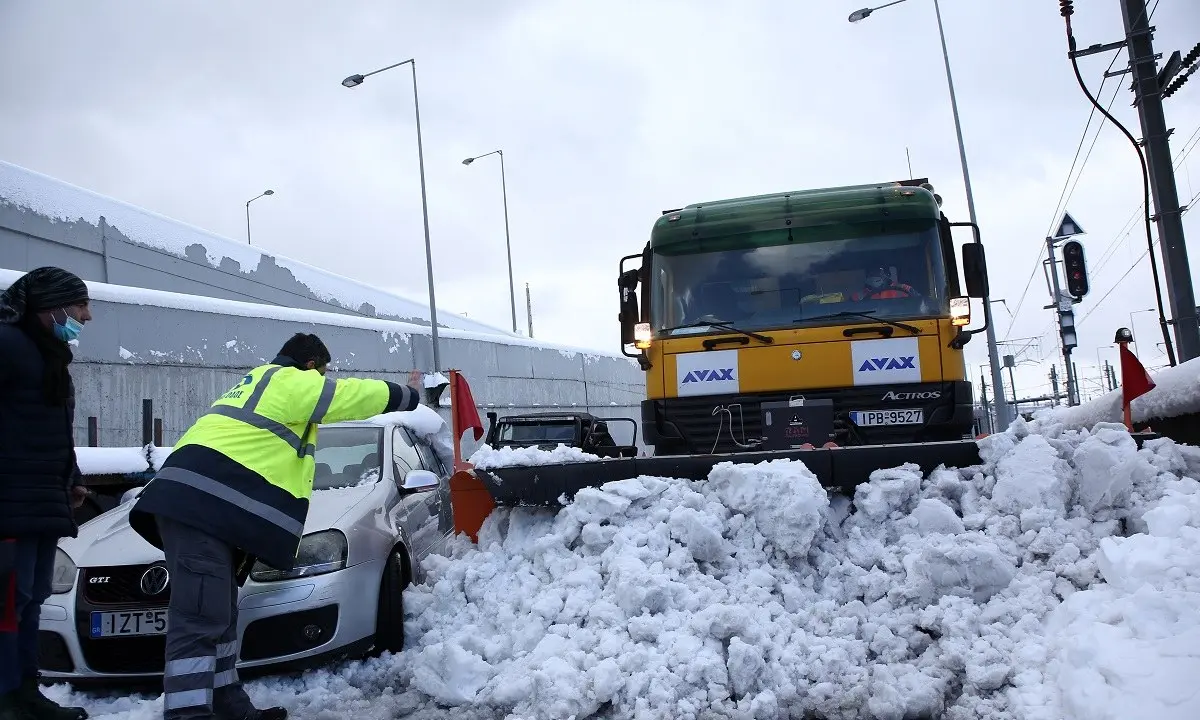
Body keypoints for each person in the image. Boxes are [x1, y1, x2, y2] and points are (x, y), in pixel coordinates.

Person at [128, 333, 422, 720]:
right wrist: (409, 395)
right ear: (312, 365)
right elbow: (350, 396)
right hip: (201, 511)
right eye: (323, 372)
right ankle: (187, 713)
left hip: (201, 509)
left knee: (219, 615)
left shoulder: (255, 385)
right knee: (200, 618)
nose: (324, 380)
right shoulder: (288, 381)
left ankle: (230, 706)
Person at [0, 267, 93, 720]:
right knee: (9, 601)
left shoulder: (51, 356)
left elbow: (56, 429)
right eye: (79, 306)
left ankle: (26, 692)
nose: (86, 316)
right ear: (50, 306)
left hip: (40, 498)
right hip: (11, 504)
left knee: (32, 596)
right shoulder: (8, 346)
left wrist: (70, 477)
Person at [851, 266, 920, 301]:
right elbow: (848, 310)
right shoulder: (859, 295)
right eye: (872, 273)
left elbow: (920, 303)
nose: (875, 275)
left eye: (879, 272)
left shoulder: (904, 288)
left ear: (887, 275)